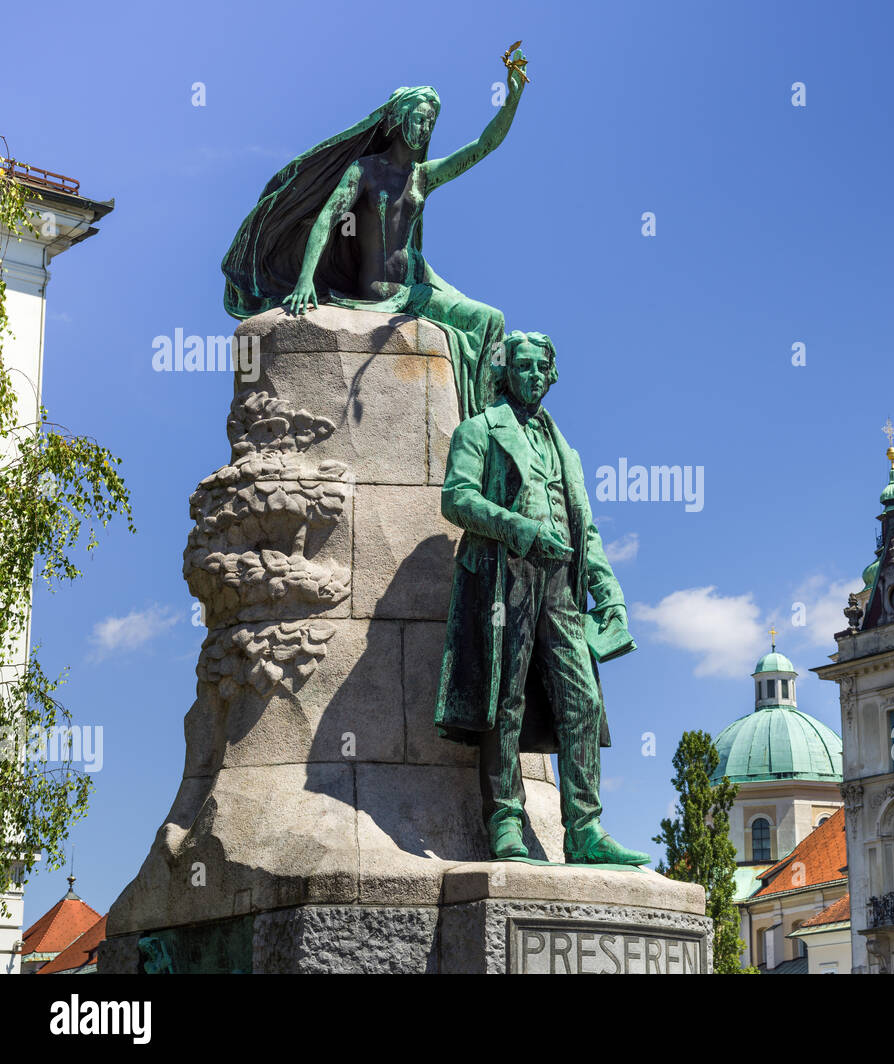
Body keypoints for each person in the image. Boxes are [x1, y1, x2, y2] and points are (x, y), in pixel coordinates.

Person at [436, 331, 649, 865]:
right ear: (506, 372)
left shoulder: (565, 448)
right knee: (503, 699)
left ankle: (584, 830)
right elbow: (456, 498)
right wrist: (519, 530)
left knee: (583, 701)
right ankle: (505, 820)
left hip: (561, 586)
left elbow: (588, 531)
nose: (532, 375)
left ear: (552, 376)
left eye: (540, 368)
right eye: (522, 366)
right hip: (503, 577)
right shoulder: (478, 430)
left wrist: (611, 596)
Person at [221, 51, 529, 421]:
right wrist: (305, 280)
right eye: (419, 118)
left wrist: (511, 101)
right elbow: (327, 219)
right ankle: (486, 422)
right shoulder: (364, 171)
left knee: (492, 319)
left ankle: (489, 421)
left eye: (431, 122)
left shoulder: (423, 176)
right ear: (399, 119)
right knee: (485, 320)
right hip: (385, 290)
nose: (425, 128)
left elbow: (482, 146)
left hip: (420, 280)